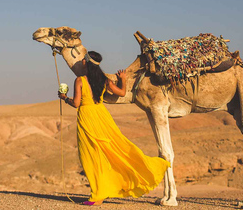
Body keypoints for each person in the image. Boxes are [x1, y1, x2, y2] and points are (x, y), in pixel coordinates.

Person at [58, 51, 170, 206]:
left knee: (90, 157)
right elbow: (122, 93)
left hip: (87, 118)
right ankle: (100, 193)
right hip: (102, 116)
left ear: (86, 63)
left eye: (83, 59)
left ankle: (97, 195)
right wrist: (123, 79)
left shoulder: (80, 80)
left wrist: (64, 98)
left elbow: (76, 104)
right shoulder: (104, 80)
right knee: (114, 150)